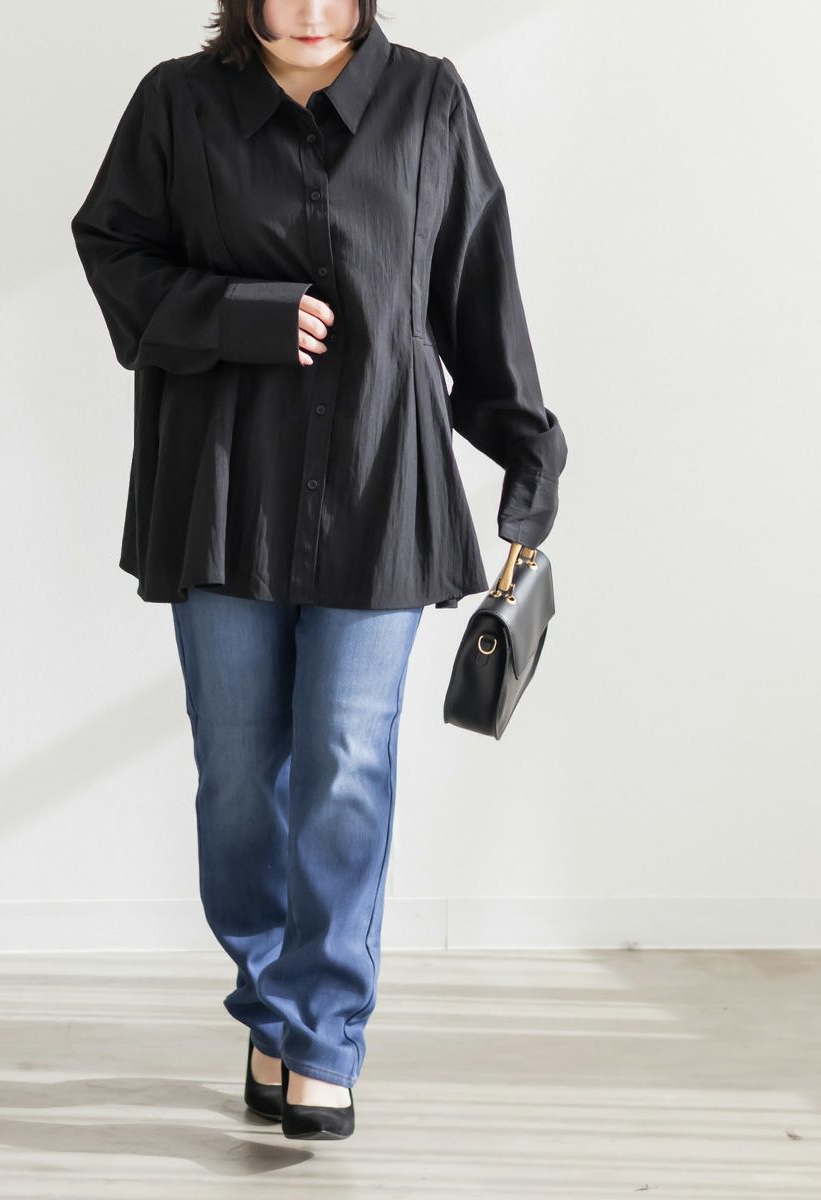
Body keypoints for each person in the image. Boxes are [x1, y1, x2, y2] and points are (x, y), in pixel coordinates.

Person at [70, 0, 569, 1141]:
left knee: (346, 762)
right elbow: (113, 251)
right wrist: (235, 314)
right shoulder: (177, 103)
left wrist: (526, 456)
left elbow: (474, 285)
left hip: (380, 486)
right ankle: (275, 1001)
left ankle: (322, 1036)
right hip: (221, 490)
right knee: (239, 777)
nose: (310, 11)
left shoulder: (429, 99)